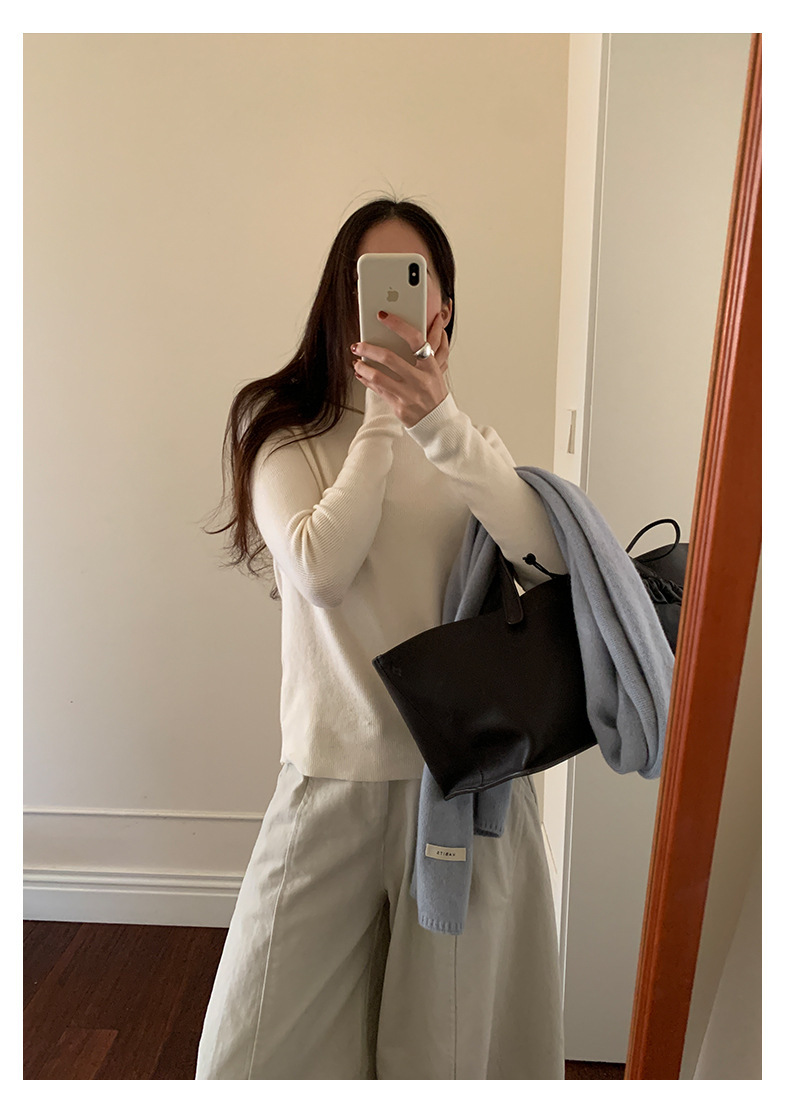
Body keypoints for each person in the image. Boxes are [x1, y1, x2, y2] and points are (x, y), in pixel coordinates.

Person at [197, 196, 567, 1080]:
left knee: (440, 1061)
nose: (397, 308)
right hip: (330, 782)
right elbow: (320, 568)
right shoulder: (285, 437)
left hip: (464, 791)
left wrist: (437, 424)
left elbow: (549, 563)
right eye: (376, 285)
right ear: (344, 301)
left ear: (444, 309)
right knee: (250, 1054)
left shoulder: (468, 445)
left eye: (417, 283)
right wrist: (380, 420)